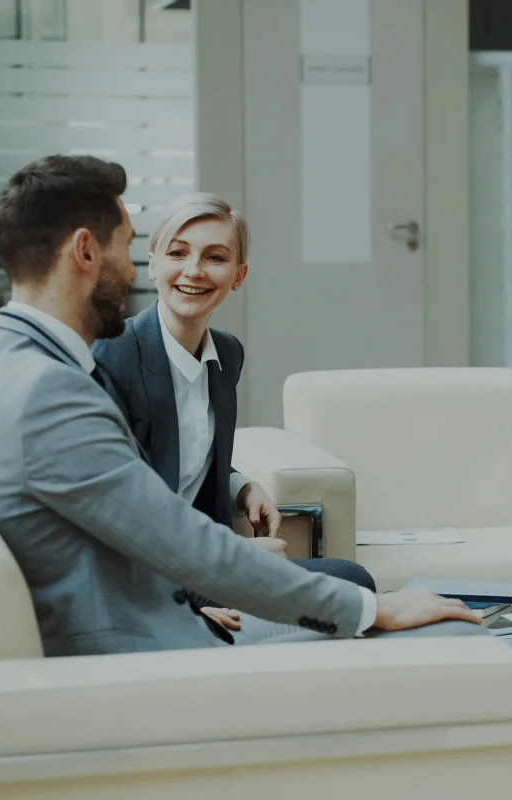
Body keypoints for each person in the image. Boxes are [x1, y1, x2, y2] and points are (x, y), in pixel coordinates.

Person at [0, 155, 481, 656]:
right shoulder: (49, 392)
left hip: (130, 616)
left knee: (407, 609)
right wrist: (375, 611)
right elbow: (183, 543)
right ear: (85, 251)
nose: (132, 273)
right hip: (135, 649)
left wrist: (237, 490)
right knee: (448, 631)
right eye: (127, 249)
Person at [91, 193, 372, 640]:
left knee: (352, 579)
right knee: (352, 595)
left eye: (215, 257)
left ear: (239, 275)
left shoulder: (227, 354)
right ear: (154, 264)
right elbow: (116, 505)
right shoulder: (114, 354)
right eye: (178, 253)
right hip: (148, 575)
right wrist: (237, 556)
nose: (194, 270)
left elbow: (181, 450)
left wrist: (239, 485)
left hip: (202, 563)